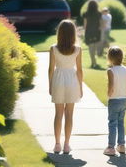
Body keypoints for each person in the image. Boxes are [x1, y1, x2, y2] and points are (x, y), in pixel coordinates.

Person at [48, 19, 83, 154]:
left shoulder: (53, 48)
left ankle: (57, 144)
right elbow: (79, 70)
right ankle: (66, 145)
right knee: (69, 114)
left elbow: (50, 69)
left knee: (58, 114)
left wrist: (50, 85)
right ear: (73, 33)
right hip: (72, 81)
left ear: (60, 33)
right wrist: (80, 87)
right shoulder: (78, 49)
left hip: (58, 80)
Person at [104, 46, 126, 156]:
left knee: (112, 123)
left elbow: (111, 85)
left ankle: (111, 147)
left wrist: (109, 94)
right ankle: (121, 146)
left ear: (110, 58)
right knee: (121, 123)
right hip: (123, 99)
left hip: (114, 100)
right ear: (121, 57)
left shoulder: (110, 71)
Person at [83, 0, 102, 68]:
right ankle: (94, 62)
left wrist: (84, 33)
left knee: (91, 48)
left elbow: (85, 25)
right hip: (97, 33)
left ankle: (93, 62)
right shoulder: (99, 14)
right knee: (95, 47)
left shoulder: (85, 14)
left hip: (89, 33)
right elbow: (100, 25)